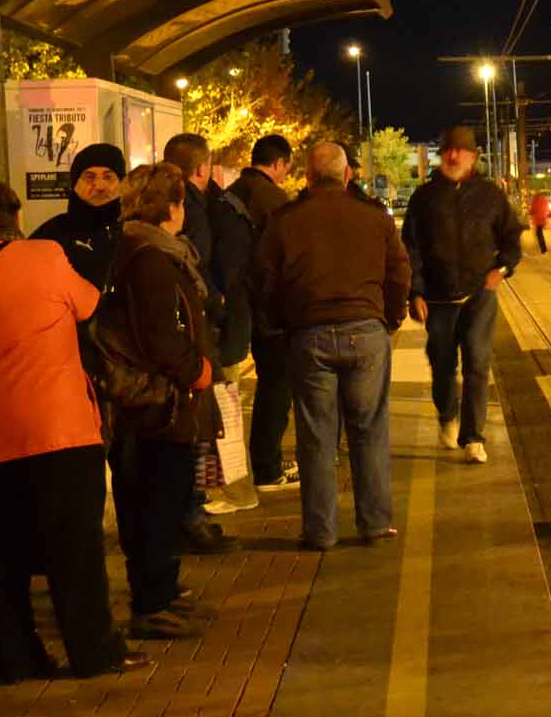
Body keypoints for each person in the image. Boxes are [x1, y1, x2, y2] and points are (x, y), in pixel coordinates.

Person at [0, 179, 141, 682]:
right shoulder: (46, 256)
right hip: (57, 429)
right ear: (15, 217)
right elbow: (86, 305)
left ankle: (17, 658)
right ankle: (93, 651)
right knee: (74, 551)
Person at [258, 142, 410, 548]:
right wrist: (391, 317)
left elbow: (265, 280)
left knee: (316, 436)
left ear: (307, 177)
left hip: (309, 334)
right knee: (369, 431)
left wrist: (281, 322)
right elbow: (399, 271)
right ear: (347, 176)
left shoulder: (285, 220)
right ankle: (375, 522)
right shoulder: (374, 216)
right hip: (366, 330)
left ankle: (321, 531)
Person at [103, 164, 220, 637]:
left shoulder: (136, 248)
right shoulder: (148, 256)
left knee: (155, 501)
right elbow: (158, 335)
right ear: (171, 207)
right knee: (155, 502)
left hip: (149, 399)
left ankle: (162, 591)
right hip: (156, 401)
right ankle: (151, 602)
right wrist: (196, 370)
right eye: (181, 201)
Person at [405, 126, 523, 466]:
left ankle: (473, 437)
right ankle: (447, 415)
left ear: (473, 157)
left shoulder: (490, 196)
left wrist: (501, 270)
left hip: (479, 296)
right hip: (438, 299)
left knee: (478, 362)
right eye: (447, 151)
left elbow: (512, 238)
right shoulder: (424, 198)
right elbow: (409, 248)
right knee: (442, 364)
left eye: (460, 151)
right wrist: (415, 291)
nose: (453, 156)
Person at [165, 133, 253, 538]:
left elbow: (206, 272)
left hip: (217, 330)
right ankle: (226, 488)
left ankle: (232, 490)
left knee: (219, 413)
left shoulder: (198, 211)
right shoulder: (220, 206)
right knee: (220, 410)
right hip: (224, 327)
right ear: (203, 167)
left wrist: (213, 307)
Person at [229, 134, 296, 488]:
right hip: (268, 310)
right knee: (276, 387)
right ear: (279, 163)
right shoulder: (273, 199)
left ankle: (257, 461)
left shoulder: (234, 191)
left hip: (240, 306)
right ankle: (267, 465)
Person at [31, 142, 126, 289]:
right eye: (89, 177)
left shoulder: (134, 232)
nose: (99, 186)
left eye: (108, 177)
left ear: (122, 183)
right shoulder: (52, 234)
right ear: (74, 184)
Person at [529, 188, 551, 254]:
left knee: (539, 234)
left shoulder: (535, 199)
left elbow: (533, 209)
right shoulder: (544, 199)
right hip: (543, 218)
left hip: (538, 219)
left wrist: (530, 212)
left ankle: (543, 249)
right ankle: (542, 248)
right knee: (539, 233)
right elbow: (547, 208)